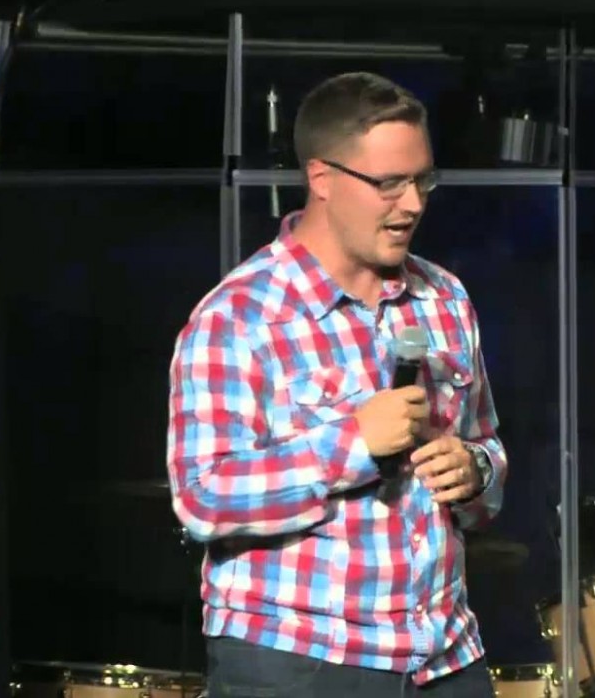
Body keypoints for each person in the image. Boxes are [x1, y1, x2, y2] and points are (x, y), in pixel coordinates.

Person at [166, 71, 507, 698]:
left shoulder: (445, 299)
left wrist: (475, 470)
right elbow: (202, 497)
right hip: (301, 660)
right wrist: (352, 444)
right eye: (389, 183)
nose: (413, 204)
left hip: (445, 658)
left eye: (423, 180)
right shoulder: (241, 317)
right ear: (322, 178)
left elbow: (488, 450)